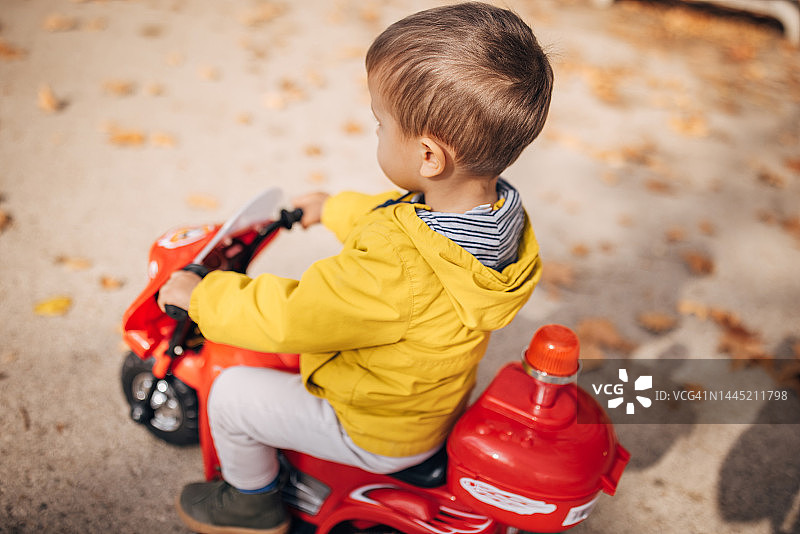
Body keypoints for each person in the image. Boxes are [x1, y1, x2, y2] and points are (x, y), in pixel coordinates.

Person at [157, 2, 553, 533]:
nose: (376, 133)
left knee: (232, 397)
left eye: (380, 124)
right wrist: (333, 208)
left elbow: (292, 316)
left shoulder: (396, 268)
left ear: (430, 156)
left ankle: (250, 505)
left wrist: (201, 297)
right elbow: (393, 217)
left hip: (372, 427)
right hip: (419, 405)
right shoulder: (496, 213)